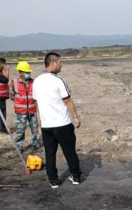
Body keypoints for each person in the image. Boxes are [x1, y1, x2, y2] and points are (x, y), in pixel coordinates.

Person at [33, 52, 82, 189]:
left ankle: (53, 180)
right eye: (60, 62)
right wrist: (76, 117)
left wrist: (41, 120)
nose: (61, 65)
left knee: (50, 153)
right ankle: (76, 176)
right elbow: (67, 100)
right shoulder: (58, 80)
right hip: (62, 124)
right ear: (53, 63)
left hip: (46, 125)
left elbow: (36, 103)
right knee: (69, 150)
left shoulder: (37, 81)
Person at [11, 61, 41, 153]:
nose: (28, 74)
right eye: (26, 72)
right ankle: (19, 146)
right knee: (20, 129)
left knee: (35, 129)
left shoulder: (34, 82)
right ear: (21, 72)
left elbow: (37, 96)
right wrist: (19, 102)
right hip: (21, 111)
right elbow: (11, 95)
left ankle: (36, 144)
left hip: (32, 110)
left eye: (29, 72)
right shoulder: (14, 82)